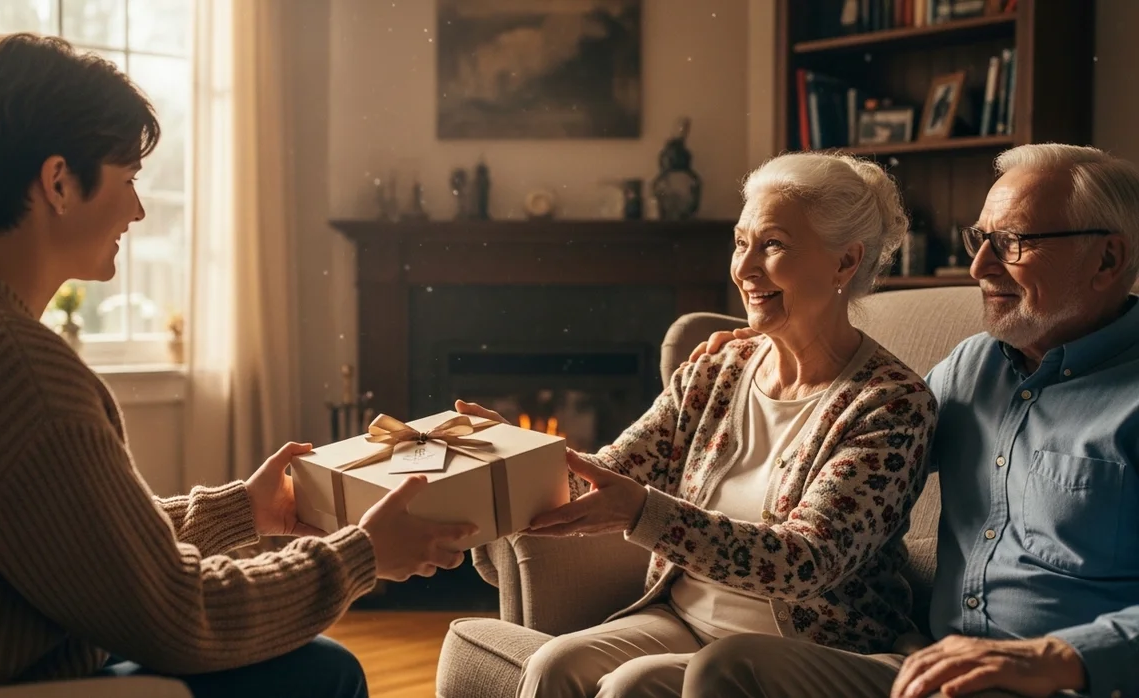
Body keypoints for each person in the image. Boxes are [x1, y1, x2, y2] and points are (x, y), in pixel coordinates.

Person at [0, 33, 475, 698]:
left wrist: (244, 510)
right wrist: (360, 555)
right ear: (58, 182)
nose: (138, 209)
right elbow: (180, 618)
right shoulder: (14, 366)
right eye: (126, 181)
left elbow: (81, 544)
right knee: (324, 672)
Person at [458, 151, 939, 698]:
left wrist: (644, 512)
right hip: (683, 620)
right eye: (740, 243)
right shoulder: (718, 369)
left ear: (845, 262)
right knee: (554, 664)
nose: (745, 269)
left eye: (773, 244)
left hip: (815, 646)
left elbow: (806, 564)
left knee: (631, 685)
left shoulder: (890, 406)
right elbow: (607, 475)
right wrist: (510, 454)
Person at [684, 143, 1139, 698]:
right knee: (729, 667)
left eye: (1012, 243)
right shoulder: (972, 367)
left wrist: (1059, 656)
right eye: (980, 240)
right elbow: (858, 441)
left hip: (1067, 683)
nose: (980, 267)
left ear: (1109, 260)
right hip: (925, 672)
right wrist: (769, 353)